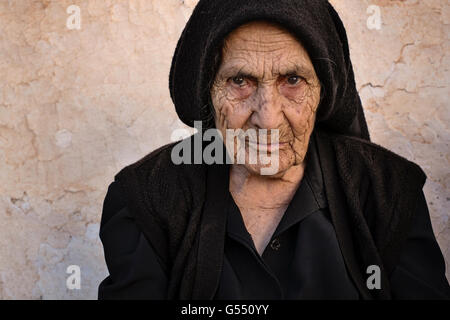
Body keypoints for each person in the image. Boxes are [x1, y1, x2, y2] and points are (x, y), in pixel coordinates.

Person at [98, 0, 450, 299]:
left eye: (292, 80)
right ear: (208, 92)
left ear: (323, 92)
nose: (267, 118)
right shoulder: (146, 198)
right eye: (239, 81)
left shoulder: (388, 192)